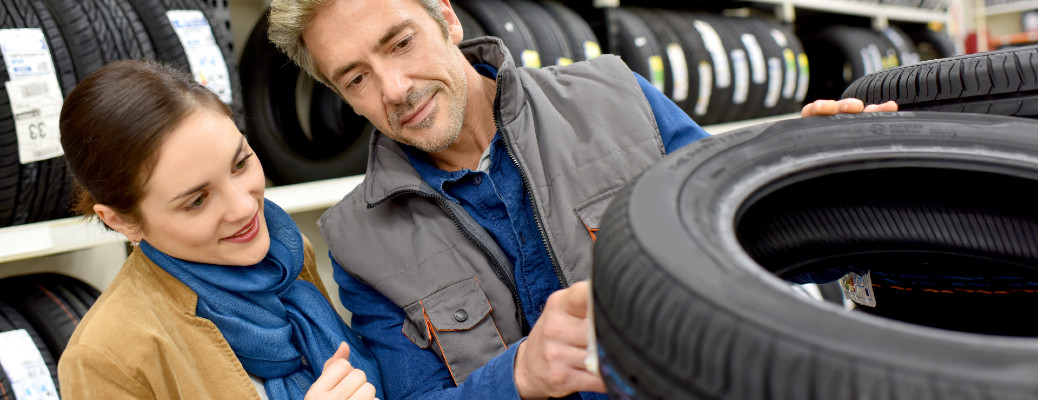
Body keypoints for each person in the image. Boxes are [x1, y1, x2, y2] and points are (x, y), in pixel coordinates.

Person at [266, 1, 899, 399]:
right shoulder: (357, 240)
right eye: (356, 78)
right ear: (340, 95)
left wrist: (818, 183)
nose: (394, 88)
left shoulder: (617, 96)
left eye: (399, 42)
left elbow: (748, 235)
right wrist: (516, 378)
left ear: (447, 18)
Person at [55, 59, 382, 400]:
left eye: (240, 164)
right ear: (121, 221)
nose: (244, 207)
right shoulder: (104, 357)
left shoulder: (286, 255)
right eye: (196, 201)